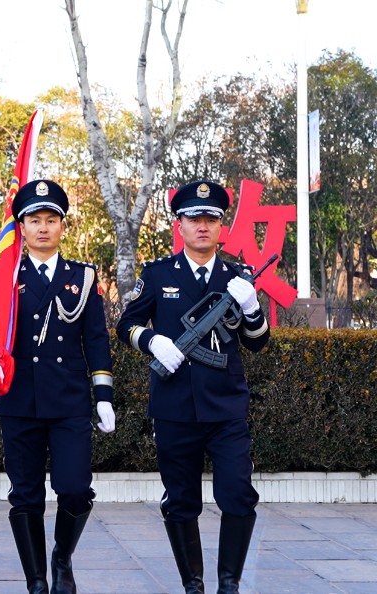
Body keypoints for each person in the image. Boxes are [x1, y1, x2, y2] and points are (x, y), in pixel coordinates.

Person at [115, 180, 270, 594]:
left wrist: (252, 306)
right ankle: (193, 585)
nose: (202, 225)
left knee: (238, 495)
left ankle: (229, 584)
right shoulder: (158, 274)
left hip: (226, 409)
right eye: (193, 218)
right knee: (181, 501)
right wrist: (151, 341)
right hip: (174, 408)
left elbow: (257, 341)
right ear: (179, 225)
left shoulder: (237, 277)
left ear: (221, 227)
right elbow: (125, 324)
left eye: (211, 219)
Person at [0, 179, 115, 594]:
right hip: (20, 400)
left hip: (69, 401)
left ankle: (62, 555)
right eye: (34, 220)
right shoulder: (7, 275)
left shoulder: (83, 277)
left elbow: (96, 340)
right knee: (26, 495)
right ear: (22, 226)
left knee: (75, 490)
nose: (42, 228)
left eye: (50, 220)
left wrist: (103, 396)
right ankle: (37, 580)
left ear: (62, 226)